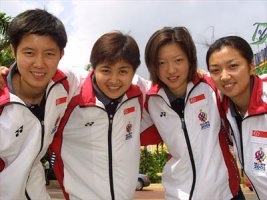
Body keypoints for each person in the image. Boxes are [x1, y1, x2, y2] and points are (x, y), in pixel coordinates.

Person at [140, 27, 244, 200]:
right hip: (178, 195)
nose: (171, 70)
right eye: (161, 63)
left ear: (190, 60)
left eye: (178, 60)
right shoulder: (151, 101)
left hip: (225, 194)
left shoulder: (213, 88)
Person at [50, 31, 147, 200]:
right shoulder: (73, 88)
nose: (114, 80)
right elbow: (40, 73)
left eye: (123, 71)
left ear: (133, 72)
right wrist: (8, 76)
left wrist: (201, 75)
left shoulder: (139, 93)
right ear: (94, 68)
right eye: (106, 70)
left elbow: (173, 84)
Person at [0, 9, 83, 199]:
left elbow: (106, 77)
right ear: (14, 50)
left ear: (61, 54)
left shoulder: (65, 83)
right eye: (29, 52)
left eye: (49, 53)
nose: (39, 64)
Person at [206, 36, 267, 200]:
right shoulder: (222, 105)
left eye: (233, 66)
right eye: (216, 70)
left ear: (251, 66)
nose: (224, 76)